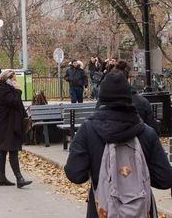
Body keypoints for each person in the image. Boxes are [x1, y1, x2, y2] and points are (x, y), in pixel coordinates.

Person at [65, 70, 172, 217]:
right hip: (141, 211)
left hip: (101, 211)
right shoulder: (146, 133)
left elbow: (75, 174)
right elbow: (165, 179)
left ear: (101, 98)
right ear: (129, 97)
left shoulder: (88, 130)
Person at [0, 69, 32, 188]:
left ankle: (2, 178)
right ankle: (19, 178)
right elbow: (14, 102)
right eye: (14, 79)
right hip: (6, 125)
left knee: (4, 150)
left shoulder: (3, 88)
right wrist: (18, 90)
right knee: (11, 149)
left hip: (6, 124)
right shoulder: (3, 89)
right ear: (8, 79)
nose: (15, 81)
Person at [113, 60, 158, 131]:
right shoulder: (142, 102)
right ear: (128, 80)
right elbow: (153, 129)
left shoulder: (104, 102)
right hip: (139, 138)